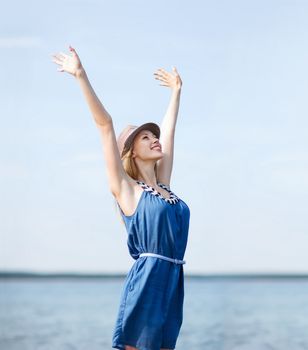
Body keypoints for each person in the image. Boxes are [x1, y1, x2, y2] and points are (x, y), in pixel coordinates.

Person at [51, 46, 191, 350]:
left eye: (153, 136)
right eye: (145, 137)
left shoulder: (165, 188)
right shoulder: (128, 190)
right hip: (147, 284)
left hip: (172, 281)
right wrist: (80, 76)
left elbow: (169, 133)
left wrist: (176, 93)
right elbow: (105, 126)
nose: (154, 139)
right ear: (129, 152)